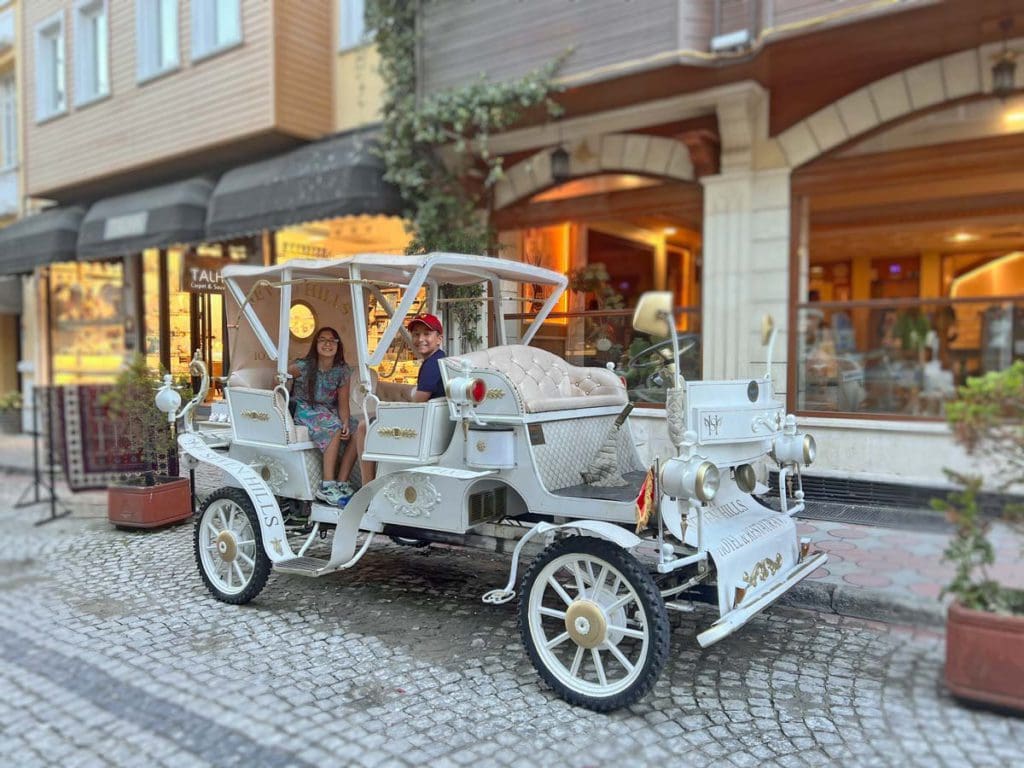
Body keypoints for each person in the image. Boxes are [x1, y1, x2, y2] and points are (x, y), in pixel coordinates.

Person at [353, 313, 446, 486]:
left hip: (422, 426)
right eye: (417, 334)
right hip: (432, 422)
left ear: (439, 338)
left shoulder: (432, 365)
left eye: (427, 334)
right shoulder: (440, 358)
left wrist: (389, 408)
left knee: (364, 425)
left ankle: (367, 486)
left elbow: (418, 403)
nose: (421, 339)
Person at [288, 327, 358, 506]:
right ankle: (327, 485)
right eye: (322, 340)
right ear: (316, 344)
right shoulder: (303, 366)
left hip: (328, 409)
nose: (327, 344)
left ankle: (342, 481)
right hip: (305, 409)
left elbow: (343, 403)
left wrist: (346, 424)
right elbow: (280, 378)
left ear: (338, 345)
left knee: (358, 429)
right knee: (332, 426)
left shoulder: (342, 371)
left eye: (332, 340)